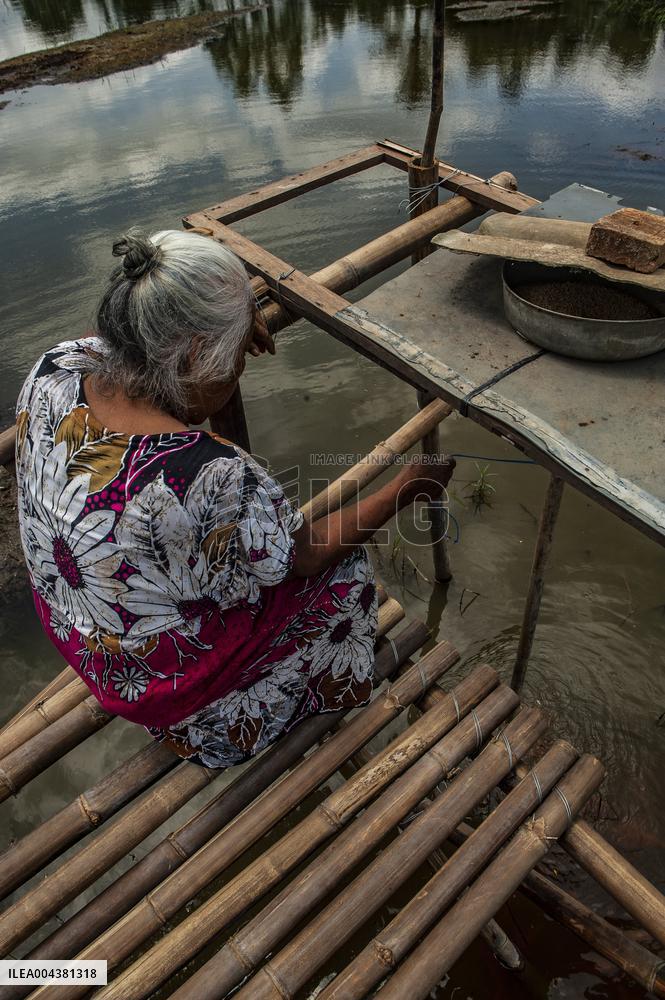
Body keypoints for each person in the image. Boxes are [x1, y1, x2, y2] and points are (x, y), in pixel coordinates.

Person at [14, 230, 454, 769]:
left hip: (82, 637)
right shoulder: (212, 474)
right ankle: (281, 704)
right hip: (168, 693)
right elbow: (308, 551)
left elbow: (120, 334)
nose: (238, 370)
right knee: (341, 575)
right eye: (235, 359)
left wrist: (231, 321)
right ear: (197, 353)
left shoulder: (53, 368)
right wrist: (408, 487)